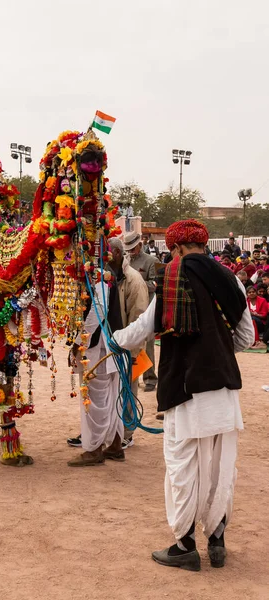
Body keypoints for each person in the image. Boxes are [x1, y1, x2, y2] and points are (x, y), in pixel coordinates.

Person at [112, 219, 254, 571]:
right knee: (221, 468)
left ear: (175, 249)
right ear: (204, 246)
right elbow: (246, 338)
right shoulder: (232, 280)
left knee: (182, 468)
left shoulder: (172, 279)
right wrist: (216, 351)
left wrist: (112, 338)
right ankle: (217, 539)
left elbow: (140, 332)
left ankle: (184, 545)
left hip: (185, 393)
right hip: (223, 391)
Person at [67, 237, 149, 450]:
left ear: (117, 254)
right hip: (111, 345)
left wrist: (131, 351)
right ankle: (106, 438)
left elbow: (138, 318)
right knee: (110, 397)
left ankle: (123, 435)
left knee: (124, 393)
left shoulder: (132, 280)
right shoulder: (105, 277)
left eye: (103, 253)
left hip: (124, 346)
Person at [67, 267, 124, 467]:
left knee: (95, 400)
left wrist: (77, 342)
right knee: (110, 397)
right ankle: (115, 445)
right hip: (108, 347)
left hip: (99, 349)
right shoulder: (99, 272)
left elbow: (98, 309)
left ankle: (93, 449)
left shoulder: (98, 273)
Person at [123, 231, 158, 394]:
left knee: (147, 344)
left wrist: (138, 283)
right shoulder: (126, 262)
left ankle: (150, 378)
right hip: (129, 307)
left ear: (140, 245)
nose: (130, 252)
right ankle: (132, 375)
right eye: (128, 249)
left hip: (147, 307)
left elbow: (155, 283)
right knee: (131, 342)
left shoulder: (151, 261)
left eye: (133, 248)